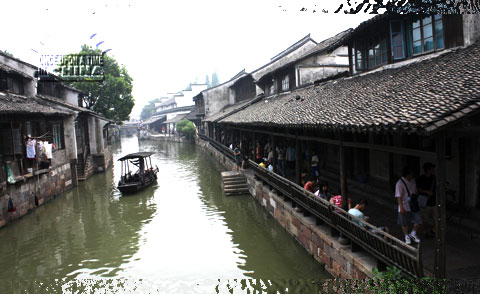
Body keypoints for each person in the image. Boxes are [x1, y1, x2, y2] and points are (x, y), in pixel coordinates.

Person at [395, 167, 422, 245]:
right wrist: (401, 207)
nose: (413, 174)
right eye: (412, 173)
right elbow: (398, 196)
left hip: (413, 204)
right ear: (408, 174)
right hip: (404, 205)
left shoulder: (413, 180)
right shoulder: (400, 183)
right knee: (404, 223)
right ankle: (406, 236)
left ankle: (413, 233)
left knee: (418, 220)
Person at [417, 162, 437, 238]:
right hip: (425, 203)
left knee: (437, 219)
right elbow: (418, 189)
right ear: (428, 170)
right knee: (425, 220)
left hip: (434, 202)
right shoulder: (421, 178)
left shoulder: (434, 178)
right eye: (432, 169)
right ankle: (425, 232)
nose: (433, 170)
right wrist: (426, 192)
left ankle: (434, 231)